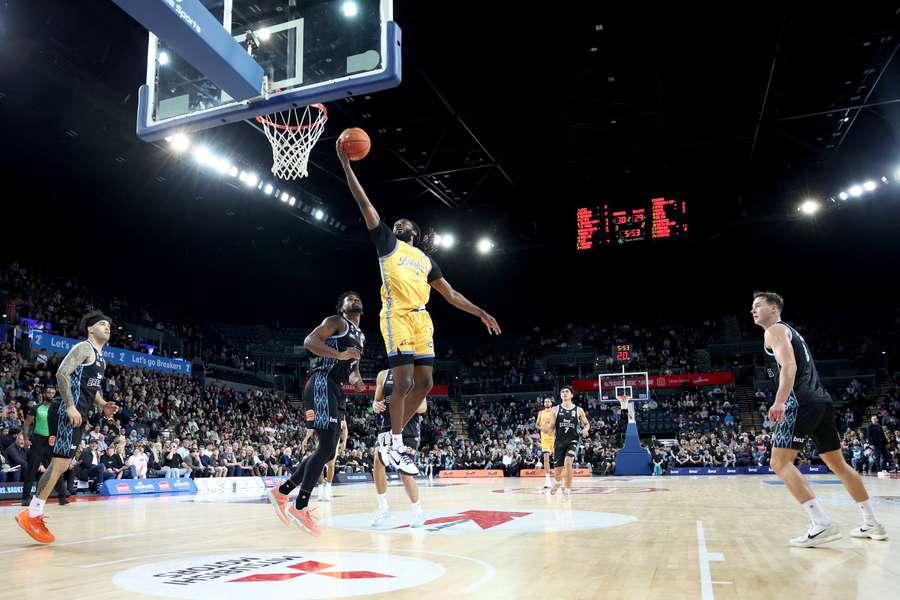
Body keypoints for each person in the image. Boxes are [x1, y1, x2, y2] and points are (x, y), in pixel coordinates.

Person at [338, 140, 500, 475]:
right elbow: (363, 202)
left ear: (415, 233)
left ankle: (389, 437)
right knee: (405, 382)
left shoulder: (426, 259)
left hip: (421, 320)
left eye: (404, 223)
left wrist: (481, 311)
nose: (398, 223)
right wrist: (346, 164)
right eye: (396, 222)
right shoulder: (387, 243)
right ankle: (396, 443)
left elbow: (451, 294)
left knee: (425, 384)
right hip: (396, 315)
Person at [752, 291, 887, 546]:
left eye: (758, 305)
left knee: (779, 463)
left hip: (800, 402)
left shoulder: (774, 331)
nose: (753, 310)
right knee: (839, 465)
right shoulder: (792, 332)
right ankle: (872, 523)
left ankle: (821, 523)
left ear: (774, 308)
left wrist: (780, 400)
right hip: (821, 401)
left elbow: (789, 366)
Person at [266, 292, 366, 536]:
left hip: (336, 389)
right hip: (321, 382)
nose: (354, 299)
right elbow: (309, 342)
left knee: (329, 450)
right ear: (341, 307)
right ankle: (300, 505)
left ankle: (282, 492)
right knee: (325, 449)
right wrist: (338, 355)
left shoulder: (361, 337)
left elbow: (352, 370)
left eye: (357, 297)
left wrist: (358, 382)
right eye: (349, 298)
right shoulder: (337, 322)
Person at [16, 311, 119, 544]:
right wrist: (70, 405)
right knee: (60, 464)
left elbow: (91, 390)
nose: (107, 327)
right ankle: (32, 515)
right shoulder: (84, 348)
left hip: (77, 413)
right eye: (102, 324)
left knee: (60, 465)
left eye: (109, 325)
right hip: (66, 410)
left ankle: (33, 512)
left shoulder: (100, 358)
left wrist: (103, 405)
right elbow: (62, 373)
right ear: (90, 329)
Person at [371, 368, 426, 528]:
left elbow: (423, 407)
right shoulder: (382, 375)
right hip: (387, 426)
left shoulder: (415, 374)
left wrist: (402, 402)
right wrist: (376, 405)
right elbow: (377, 401)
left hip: (408, 427)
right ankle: (383, 508)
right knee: (377, 461)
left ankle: (418, 511)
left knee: (404, 472)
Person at [548, 386, 590, 499]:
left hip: (573, 440)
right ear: (560, 395)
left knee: (568, 462)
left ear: (571, 395)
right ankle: (557, 482)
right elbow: (551, 426)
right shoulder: (555, 409)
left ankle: (567, 489)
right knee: (558, 472)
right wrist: (547, 429)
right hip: (559, 442)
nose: (564, 393)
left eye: (567, 392)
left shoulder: (578, 410)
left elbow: (586, 424)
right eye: (562, 392)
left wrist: (585, 430)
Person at [320, 418, 348, 502]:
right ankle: (321, 489)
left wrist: (344, 441)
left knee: (331, 463)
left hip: (335, 439)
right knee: (319, 465)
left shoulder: (339, 411)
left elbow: (345, 427)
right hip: (322, 438)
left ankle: (328, 488)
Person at [535, 396, 556, 489]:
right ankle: (547, 481)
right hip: (544, 438)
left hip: (554, 437)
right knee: (546, 459)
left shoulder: (554, 411)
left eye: (548, 401)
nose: (547, 403)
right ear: (544, 404)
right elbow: (536, 424)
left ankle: (558, 479)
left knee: (557, 459)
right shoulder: (541, 413)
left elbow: (558, 424)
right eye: (545, 401)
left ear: (551, 403)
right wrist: (541, 428)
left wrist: (553, 429)